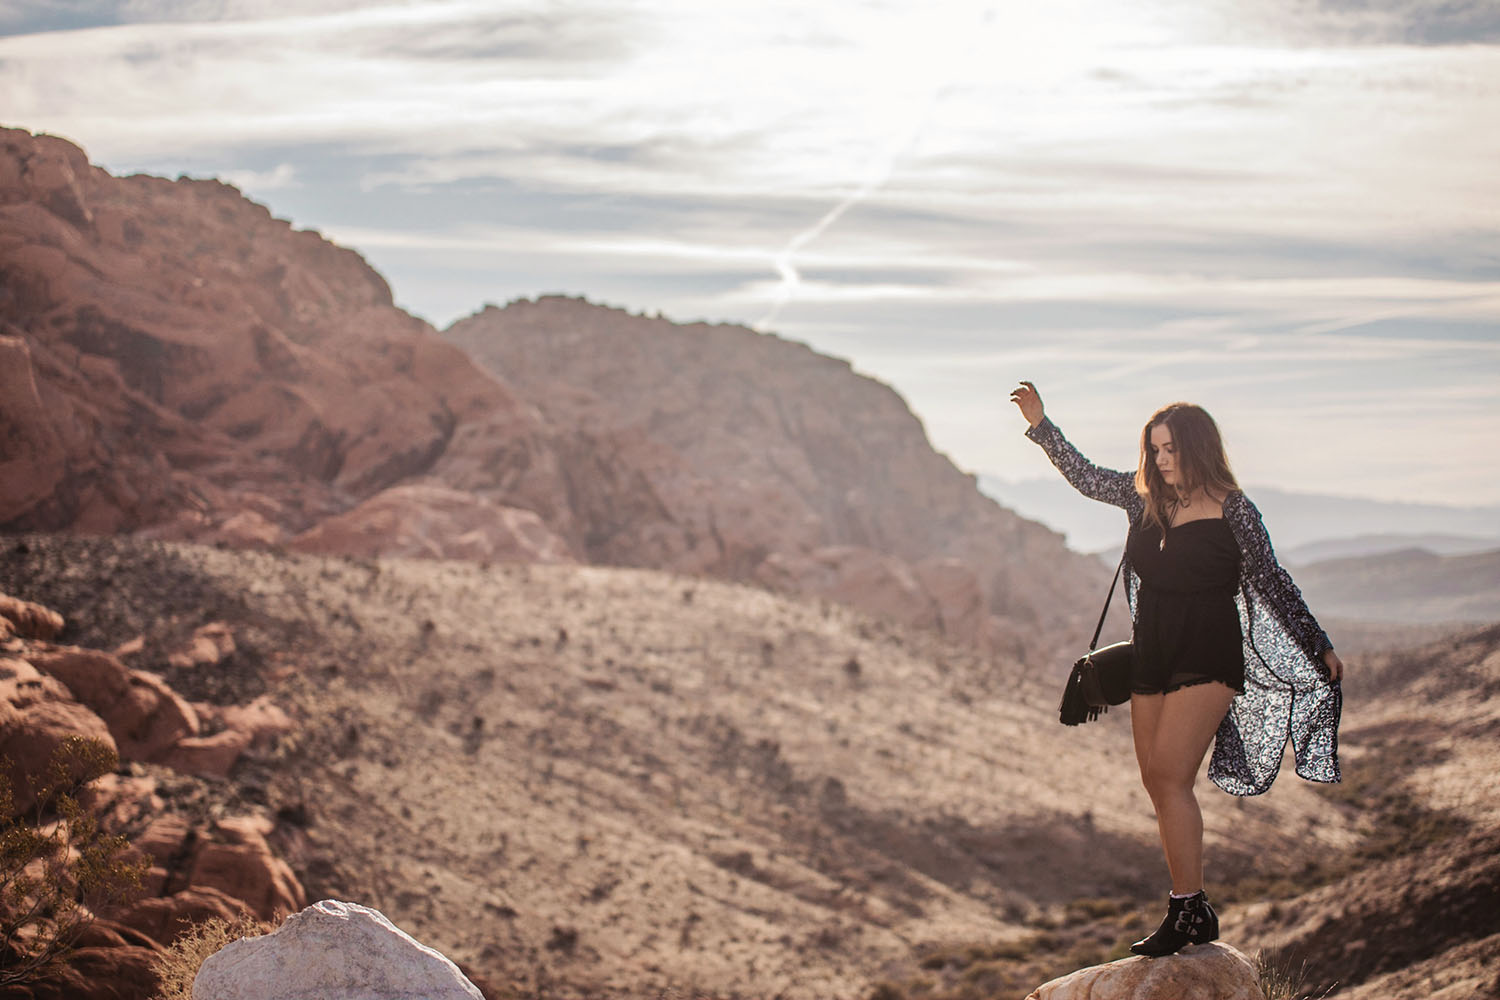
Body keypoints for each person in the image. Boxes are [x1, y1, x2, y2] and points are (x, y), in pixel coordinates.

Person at [1009, 381, 1344, 957]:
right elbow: (1087, 477)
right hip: (1153, 650)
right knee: (1158, 781)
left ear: (1198, 448)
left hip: (1209, 651)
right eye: (1154, 450)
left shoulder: (1234, 508)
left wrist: (1318, 643)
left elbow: (1272, 579)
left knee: (1168, 775)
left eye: (1171, 450)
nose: (1161, 461)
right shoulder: (1143, 498)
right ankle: (1193, 909)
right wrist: (1041, 426)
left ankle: (1187, 908)